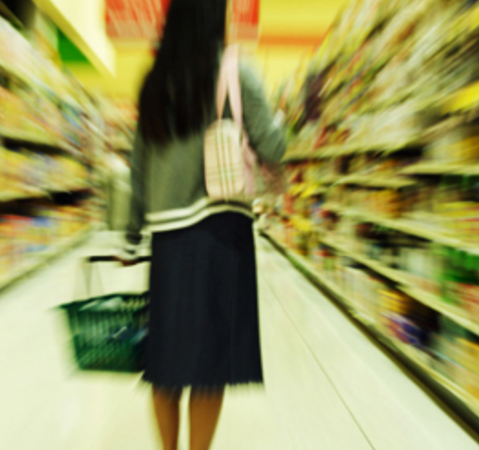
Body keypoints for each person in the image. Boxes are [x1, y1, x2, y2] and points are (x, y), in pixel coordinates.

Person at [124, 0, 286, 449]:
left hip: (168, 240)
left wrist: (131, 233)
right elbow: (274, 147)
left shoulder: (154, 81)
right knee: (209, 364)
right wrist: (280, 120)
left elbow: (138, 165)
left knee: (166, 361)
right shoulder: (237, 70)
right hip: (220, 235)